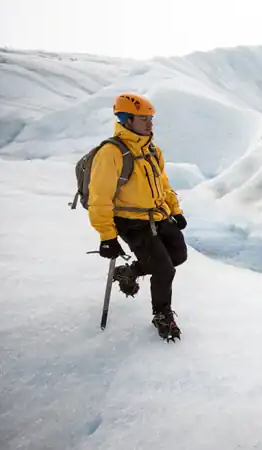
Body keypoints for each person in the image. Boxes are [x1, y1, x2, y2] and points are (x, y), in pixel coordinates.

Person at [88, 93, 188, 342]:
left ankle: (130, 272)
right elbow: (99, 197)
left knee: (179, 255)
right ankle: (162, 315)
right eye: (144, 118)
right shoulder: (111, 153)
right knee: (164, 270)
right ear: (126, 119)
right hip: (131, 221)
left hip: (157, 215)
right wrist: (107, 236)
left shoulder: (152, 149)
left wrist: (175, 209)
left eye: (150, 118)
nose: (150, 123)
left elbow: (162, 183)